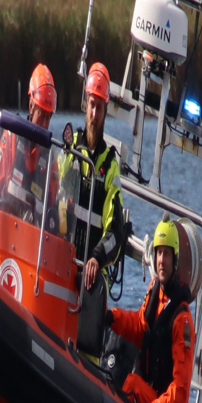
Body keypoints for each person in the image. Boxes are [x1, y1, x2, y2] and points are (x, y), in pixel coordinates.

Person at [106, 219, 194, 403]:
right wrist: (111, 318)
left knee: (133, 384)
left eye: (166, 254)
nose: (161, 260)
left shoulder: (181, 318)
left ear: (174, 259)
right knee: (120, 375)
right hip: (149, 396)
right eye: (158, 253)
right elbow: (139, 326)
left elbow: (181, 390)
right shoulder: (154, 291)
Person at [59, 62, 124, 291]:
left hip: (92, 277)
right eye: (91, 106)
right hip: (62, 261)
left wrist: (97, 258)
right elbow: (54, 195)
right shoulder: (70, 150)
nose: (94, 114)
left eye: (99, 108)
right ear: (85, 105)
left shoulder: (110, 166)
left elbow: (116, 232)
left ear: (106, 112)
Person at [0, 64, 58, 225]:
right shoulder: (11, 138)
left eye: (48, 118)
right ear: (31, 106)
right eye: (42, 115)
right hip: (4, 233)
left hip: (35, 245)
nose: (44, 125)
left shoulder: (51, 159)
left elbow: (53, 211)